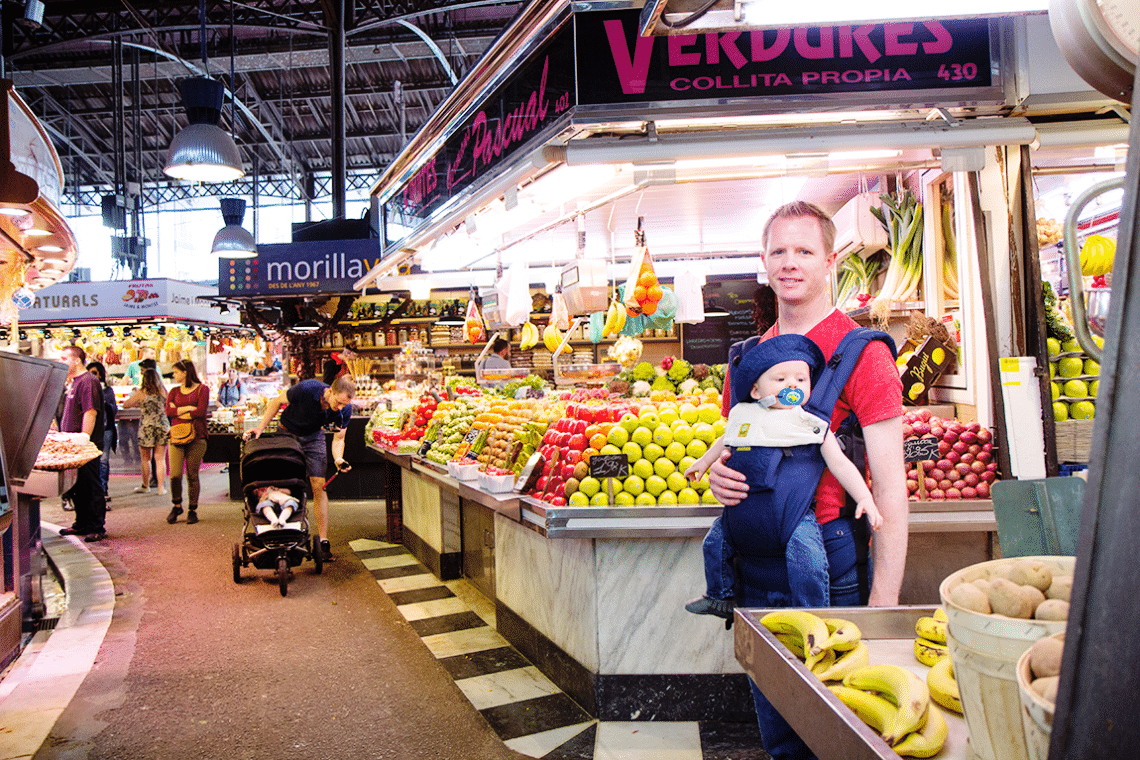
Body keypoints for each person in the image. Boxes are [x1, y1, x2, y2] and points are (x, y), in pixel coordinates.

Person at [707, 202, 906, 760]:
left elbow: (891, 488)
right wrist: (721, 478)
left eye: (804, 251)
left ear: (831, 260)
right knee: (782, 743)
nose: (790, 263)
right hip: (756, 570)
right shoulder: (746, 359)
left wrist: (883, 606)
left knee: (840, 741)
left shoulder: (862, 355)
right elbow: (739, 449)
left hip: (831, 565)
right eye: (778, 251)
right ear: (764, 261)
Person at [683, 334, 883, 618]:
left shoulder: (810, 424)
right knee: (714, 543)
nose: (792, 385)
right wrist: (703, 463)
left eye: (801, 380)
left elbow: (839, 463)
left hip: (794, 514)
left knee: (808, 559)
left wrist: (864, 497)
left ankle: (813, 613)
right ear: (755, 390)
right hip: (745, 514)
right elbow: (726, 440)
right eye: (781, 380)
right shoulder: (744, 415)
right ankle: (719, 596)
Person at [245, 376, 355, 561]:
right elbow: (276, 401)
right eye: (339, 402)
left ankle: (323, 540)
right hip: (288, 433)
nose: (341, 407)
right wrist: (260, 428)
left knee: (319, 485)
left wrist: (338, 459)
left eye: (345, 404)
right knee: (283, 482)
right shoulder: (307, 389)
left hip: (313, 436)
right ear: (330, 392)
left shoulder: (345, 410)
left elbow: (339, 438)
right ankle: (278, 531)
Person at [58, 345, 108, 543]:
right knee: (77, 485)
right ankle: (82, 522)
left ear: (76, 360)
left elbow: (91, 412)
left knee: (91, 484)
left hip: (85, 445)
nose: (61, 362)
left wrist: (84, 439)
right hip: (73, 443)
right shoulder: (73, 382)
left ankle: (96, 526)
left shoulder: (88, 381)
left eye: (64, 358)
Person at [165, 359, 209, 525]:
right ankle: (177, 504)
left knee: (192, 474)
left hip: (197, 436)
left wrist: (179, 412)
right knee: (175, 474)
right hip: (176, 436)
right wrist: (188, 408)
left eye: (176, 372)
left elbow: (201, 411)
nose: (174, 375)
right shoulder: (174, 391)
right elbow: (169, 411)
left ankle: (192, 509)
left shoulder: (202, 389)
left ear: (185, 373)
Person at [122, 367, 169, 495]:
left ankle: (146, 485)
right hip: (162, 426)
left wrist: (140, 404)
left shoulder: (142, 392)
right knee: (160, 459)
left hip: (147, 427)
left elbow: (126, 404)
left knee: (145, 459)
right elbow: (169, 405)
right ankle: (161, 488)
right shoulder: (163, 391)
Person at [87, 361, 118, 506]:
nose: (92, 376)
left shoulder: (108, 391)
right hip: (91, 430)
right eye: (90, 373)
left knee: (103, 461)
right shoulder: (87, 389)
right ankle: (93, 490)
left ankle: (103, 489)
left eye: (94, 373)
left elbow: (113, 409)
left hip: (106, 429)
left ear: (100, 374)